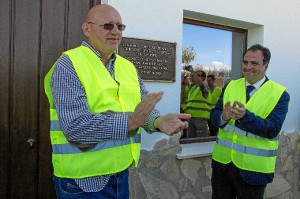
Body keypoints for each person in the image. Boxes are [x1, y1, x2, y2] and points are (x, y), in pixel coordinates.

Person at [44, 4, 190, 199]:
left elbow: (140, 110)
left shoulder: (127, 67)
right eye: (107, 25)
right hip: (83, 183)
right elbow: (75, 128)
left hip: (121, 174)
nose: (115, 32)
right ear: (86, 29)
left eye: (120, 27)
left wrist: (158, 121)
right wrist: (130, 122)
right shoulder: (69, 64)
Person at [210, 44, 290, 199]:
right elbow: (214, 116)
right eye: (245, 62)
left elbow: (272, 129)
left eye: (254, 63)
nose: (248, 67)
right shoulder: (230, 86)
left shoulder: (280, 94)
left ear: (265, 66)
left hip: (254, 172)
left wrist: (245, 117)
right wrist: (223, 117)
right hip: (222, 167)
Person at [183, 69, 210, 137]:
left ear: (203, 78)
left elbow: (201, 84)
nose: (194, 77)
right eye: (193, 75)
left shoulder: (204, 85)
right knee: (191, 139)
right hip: (190, 117)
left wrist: (193, 72)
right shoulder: (193, 88)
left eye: (197, 75)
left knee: (202, 139)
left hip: (200, 118)